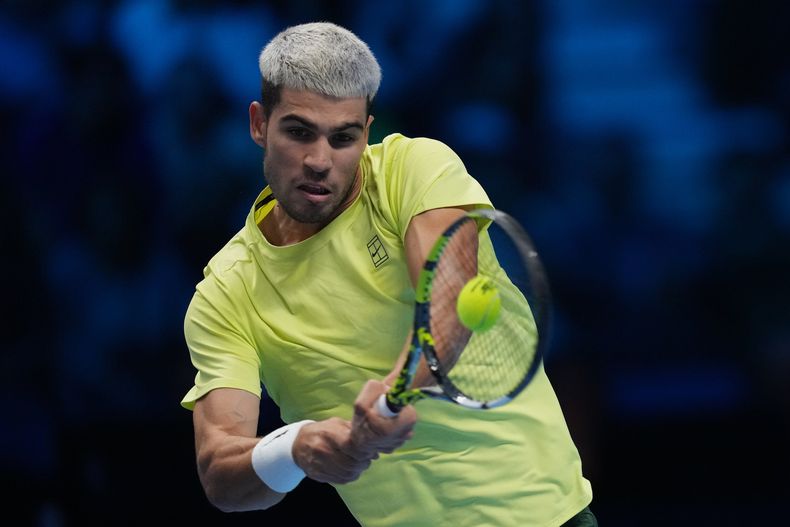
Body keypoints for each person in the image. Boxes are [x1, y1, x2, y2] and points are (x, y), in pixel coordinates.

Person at [180, 21, 596, 527]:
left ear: (366, 133)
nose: (319, 160)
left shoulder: (415, 168)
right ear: (259, 124)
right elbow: (221, 476)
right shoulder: (226, 292)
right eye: (298, 131)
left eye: (344, 138)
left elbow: (450, 300)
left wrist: (394, 388)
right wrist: (295, 448)